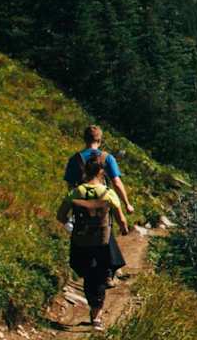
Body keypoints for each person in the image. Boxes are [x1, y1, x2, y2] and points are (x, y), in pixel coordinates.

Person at [56, 151, 130, 332]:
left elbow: (61, 216)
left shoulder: (76, 192)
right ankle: (96, 316)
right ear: (101, 172)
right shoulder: (108, 193)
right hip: (102, 241)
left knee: (89, 275)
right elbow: (121, 219)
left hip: (81, 240)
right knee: (100, 275)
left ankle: (93, 305)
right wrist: (124, 229)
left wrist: (71, 226)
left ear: (85, 172)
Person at [63, 125, 133, 285]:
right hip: (102, 200)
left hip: (81, 202)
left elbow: (70, 186)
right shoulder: (107, 158)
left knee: (82, 233)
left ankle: (86, 270)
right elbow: (116, 182)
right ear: (100, 140)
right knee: (105, 230)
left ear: (84, 139)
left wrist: (72, 202)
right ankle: (107, 272)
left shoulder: (75, 159)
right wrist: (127, 203)